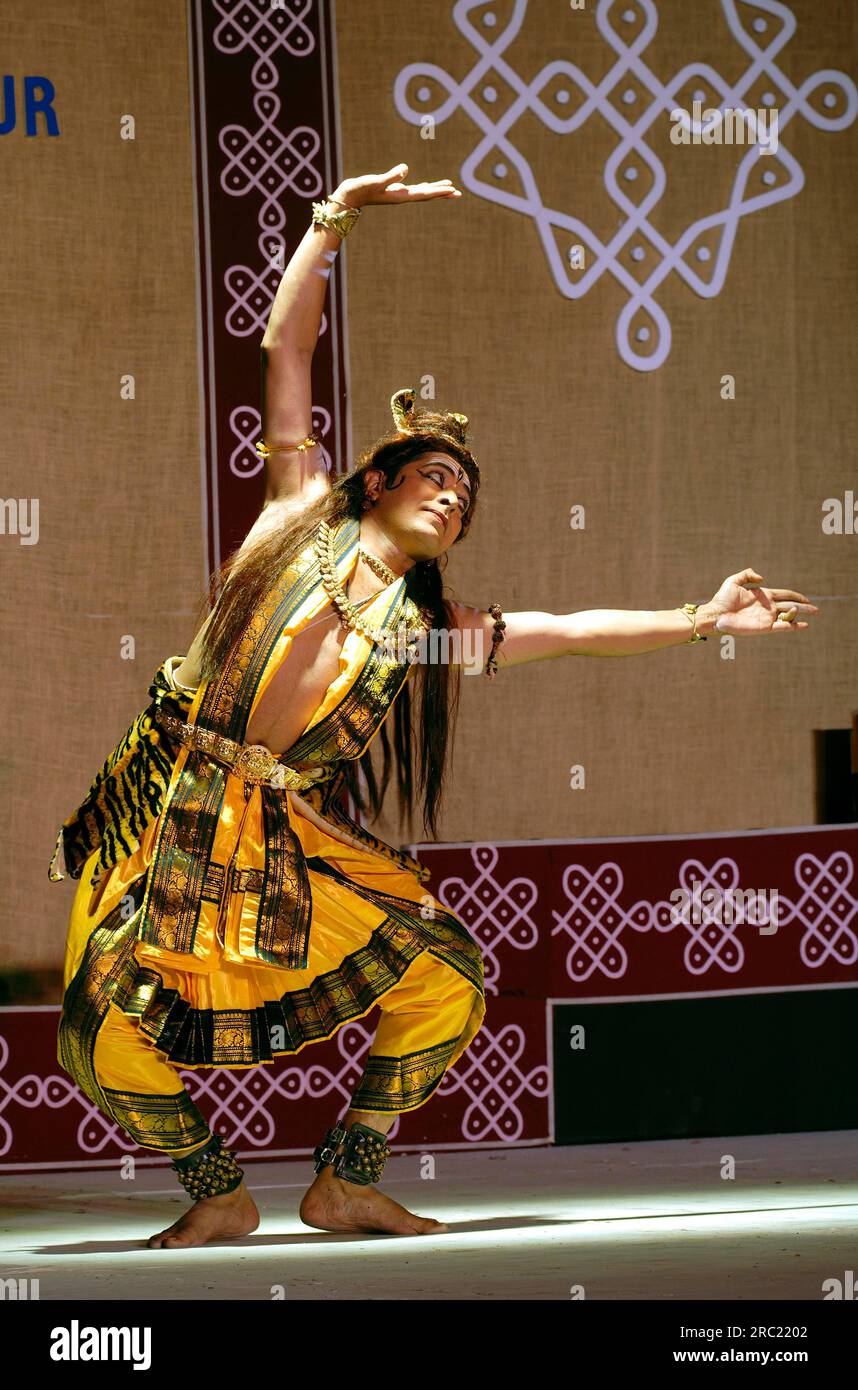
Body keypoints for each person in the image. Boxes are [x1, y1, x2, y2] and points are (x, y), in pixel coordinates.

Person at [50, 163, 819, 1250]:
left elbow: (565, 629)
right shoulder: (292, 517)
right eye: (436, 478)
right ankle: (215, 1186)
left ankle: (345, 1179)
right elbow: (286, 352)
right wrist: (334, 223)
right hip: (164, 806)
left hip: (276, 839)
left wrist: (702, 616)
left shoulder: (424, 628)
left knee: (447, 973)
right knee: (95, 1024)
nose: (453, 498)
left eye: (465, 497)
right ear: (379, 481)